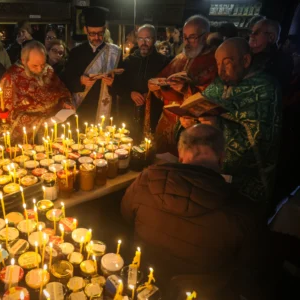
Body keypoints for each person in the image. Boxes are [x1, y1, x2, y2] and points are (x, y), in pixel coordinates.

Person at [121, 124, 271, 300]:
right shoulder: (241, 211)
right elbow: (248, 272)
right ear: (221, 159)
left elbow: (125, 216)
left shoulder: (144, 182)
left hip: (143, 286)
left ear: (181, 156)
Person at [183, 38, 281, 203]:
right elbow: (201, 106)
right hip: (209, 173)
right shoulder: (219, 83)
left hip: (246, 184)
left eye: (226, 63)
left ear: (245, 60)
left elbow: (259, 142)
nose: (220, 70)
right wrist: (191, 122)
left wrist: (216, 126)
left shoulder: (265, 88)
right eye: (217, 63)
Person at [149, 15, 217, 155]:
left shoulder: (215, 61)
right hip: (167, 123)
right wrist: (155, 86)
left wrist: (186, 88)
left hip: (193, 127)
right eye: (184, 37)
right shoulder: (180, 58)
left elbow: (213, 98)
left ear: (206, 36)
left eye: (192, 37)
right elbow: (162, 78)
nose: (186, 42)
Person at [0, 41, 74, 143]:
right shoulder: (10, 79)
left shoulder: (48, 70)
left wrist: (66, 103)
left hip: (54, 128)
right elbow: (8, 115)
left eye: (42, 64)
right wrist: (40, 121)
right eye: (35, 66)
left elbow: (61, 91)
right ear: (24, 60)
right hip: (28, 136)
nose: (40, 69)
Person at [63, 6, 122, 124]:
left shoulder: (115, 52)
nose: (96, 37)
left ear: (105, 29)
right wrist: (80, 81)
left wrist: (113, 83)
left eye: (100, 33)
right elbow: (66, 80)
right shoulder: (76, 52)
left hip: (106, 110)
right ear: (85, 30)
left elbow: (123, 83)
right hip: (82, 109)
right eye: (92, 33)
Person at [119, 24, 169, 140]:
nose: (144, 42)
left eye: (148, 38)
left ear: (155, 39)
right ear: (137, 39)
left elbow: (168, 87)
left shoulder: (163, 62)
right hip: (130, 113)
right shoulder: (128, 61)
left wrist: (152, 95)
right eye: (140, 38)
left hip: (154, 114)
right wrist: (130, 93)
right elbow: (119, 85)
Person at [249, 18, 294, 94]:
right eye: (251, 32)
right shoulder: (251, 54)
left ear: (271, 37)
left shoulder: (282, 61)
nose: (251, 36)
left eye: (256, 33)